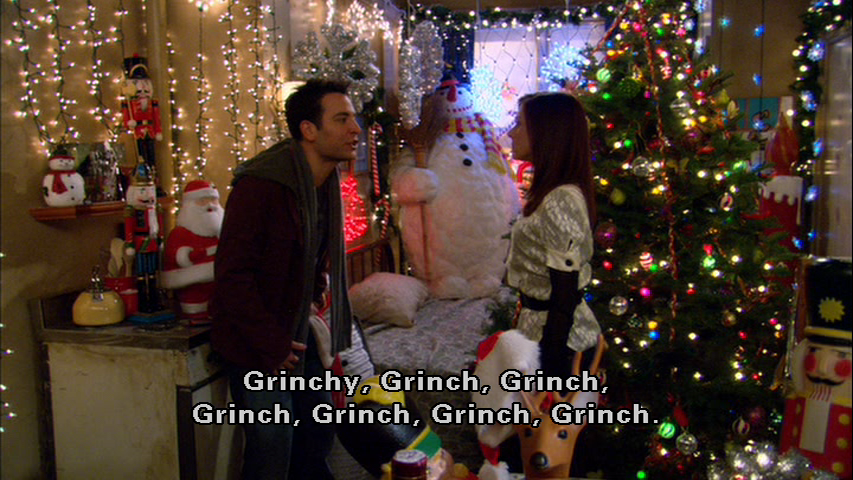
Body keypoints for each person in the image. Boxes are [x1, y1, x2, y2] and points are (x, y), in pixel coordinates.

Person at [210, 79, 359, 479]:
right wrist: (271, 344)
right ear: (309, 130)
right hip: (257, 342)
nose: (355, 129)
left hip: (298, 330)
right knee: (272, 448)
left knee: (317, 435)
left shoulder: (325, 185)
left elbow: (313, 259)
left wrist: (316, 295)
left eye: (353, 118)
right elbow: (232, 276)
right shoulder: (261, 186)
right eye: (342, 119)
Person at [505, 92, 600, 379]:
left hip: (561, 342)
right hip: (540, 329)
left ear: (545, 133)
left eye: (520, 124)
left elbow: (564, 293)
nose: (511, 133)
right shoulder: (550, 194)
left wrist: (548, 362)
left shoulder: (562, 199)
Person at [161, 180, 223, 324]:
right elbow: (176, 256)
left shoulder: (221, 231)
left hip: (220, 285)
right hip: (190, 284)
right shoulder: (180, 234)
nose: (210, 205)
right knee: (196, 309)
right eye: (203, 201)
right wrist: (191, 255)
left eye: (213, 200)